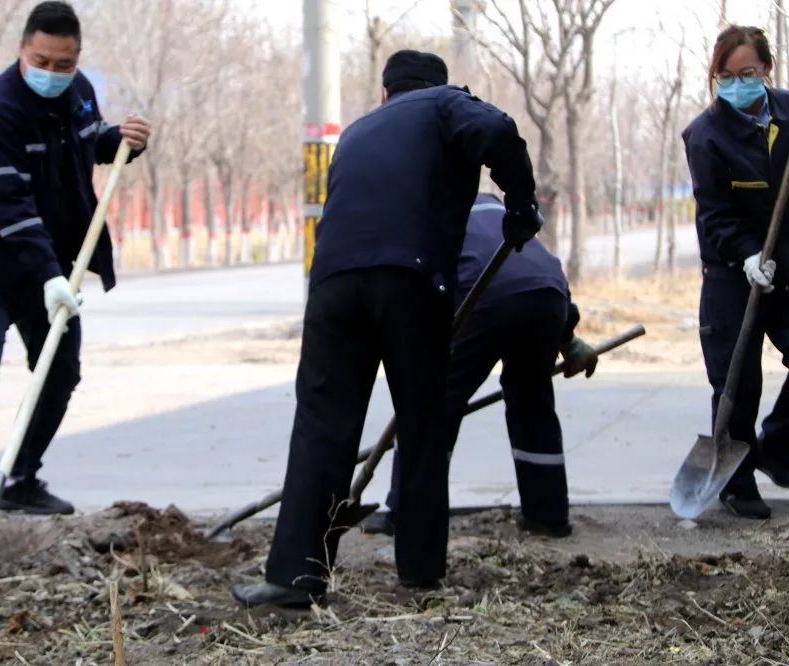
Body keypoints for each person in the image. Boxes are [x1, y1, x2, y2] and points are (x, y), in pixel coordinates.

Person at [232, 50, 542, 609]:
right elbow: (498, 129)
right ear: (437, 87)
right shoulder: (447, 104)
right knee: (424, 425)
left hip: (331, 285)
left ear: (384, 92)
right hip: (410, 280)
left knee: (322, 426)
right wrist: (521, 205)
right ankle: (420, 572)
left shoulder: (357, 130)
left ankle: (293, 578)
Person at [0, 1, 151, 515]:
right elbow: (10, 207)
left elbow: (90, 144)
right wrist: (49, 276)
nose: (53, 73)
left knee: (60, 369)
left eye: (64, 63)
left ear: (77, 57)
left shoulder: (79, 92)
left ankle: (20, 478)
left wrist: (120, 141)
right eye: (43, 61)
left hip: (54, 260)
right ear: (22, 48)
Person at [362, 192, 598, 540]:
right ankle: (547, 515)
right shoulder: (490, 203)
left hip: (484, 294)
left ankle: (407, 514)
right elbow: (532, 266)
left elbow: (419, 291)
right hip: (548, 294)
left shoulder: (420, 214)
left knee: (431, 405)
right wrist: (568, 338)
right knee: (532, 402)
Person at [682, 25, 789, 520]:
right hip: (732, 272)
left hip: (787, 267)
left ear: (766, 69)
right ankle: (736, 481)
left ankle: (778, 447)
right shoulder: (705, 135)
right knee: (736, 381)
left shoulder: (788, 114)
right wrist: (747, 255)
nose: (737, 85)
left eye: (747, 74)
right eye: (726, 76)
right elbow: (715, 210)